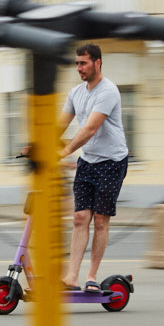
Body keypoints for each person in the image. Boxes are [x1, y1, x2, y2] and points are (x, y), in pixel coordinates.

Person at [56, 42, 129, 292]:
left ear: (97, 63)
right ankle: (71, 276)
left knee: (100, 221)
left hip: (112, 161)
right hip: (88, 161)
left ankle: (91, 276)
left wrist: (65, 150)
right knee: (79, 218)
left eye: (83, 63)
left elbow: (90, 128)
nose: (79, 68)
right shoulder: (75, 92)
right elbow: (61, 125)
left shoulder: (108, 91)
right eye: (77, 63)